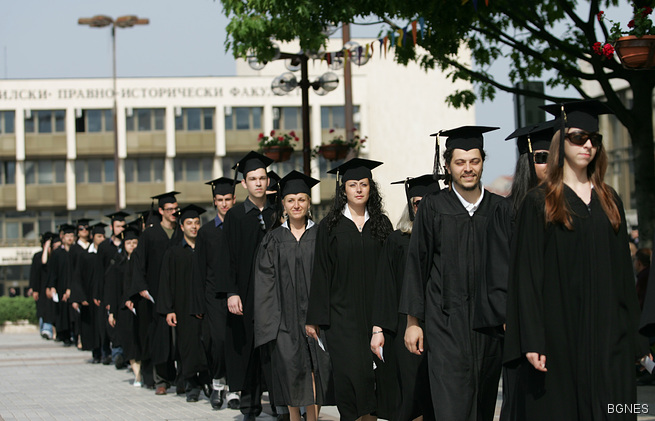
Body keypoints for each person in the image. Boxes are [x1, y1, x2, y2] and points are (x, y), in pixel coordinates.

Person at [504, 100, 648, 420]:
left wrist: (636, 337)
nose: (587, 145)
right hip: (559, 337)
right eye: (577, 137)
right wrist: (532, 338)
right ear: (560, 141)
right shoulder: (539, 202)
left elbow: (624, 276)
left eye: (594, 139)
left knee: (616, 409)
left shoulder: (610, 200)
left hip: (609, 337)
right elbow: (527, 278)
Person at [400, 126, 503, 421]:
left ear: (483, 161)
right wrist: (412, 322)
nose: (468, 168)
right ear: (447, 166)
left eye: (474, 161)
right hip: (445, 326)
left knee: (483, 407)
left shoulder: (499, 209)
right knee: (451, 407)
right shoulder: (433, 208)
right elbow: (417, 265)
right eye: (460, 162)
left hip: (489, 328)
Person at [473, 122, 553, 420]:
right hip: (522, 326)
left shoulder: (566, 208)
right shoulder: (508, 211)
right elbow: (498, 271)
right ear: (527, 162)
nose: (548, 164)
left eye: (553, 157)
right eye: (541, 157)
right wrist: (513, 322)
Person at [306, 158, 393, 421]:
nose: (358, 189)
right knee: (350, 377)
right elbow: (321, 272)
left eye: (363, 184)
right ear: (343, 189)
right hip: (341, 318)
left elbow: (390, 273)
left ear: (370, 188)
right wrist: (315, 319)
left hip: (376, 315)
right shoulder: (330, 227)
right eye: (352, 184)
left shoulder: (382, 225)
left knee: (374, 381)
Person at [254, 171, 333, 421]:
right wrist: (271, 324)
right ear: (283, 205)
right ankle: (294, 418)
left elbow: (332, 279)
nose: (296, 205)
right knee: (290, 370)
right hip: (284, 320)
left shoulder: (322, 236)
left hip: (317, 317)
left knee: (315, 370)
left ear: (309, 203)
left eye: (301, 199)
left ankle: (312, 418)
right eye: (290, 200)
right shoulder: (273, 239)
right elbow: (264, 283)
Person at [370, 174, 440, 421]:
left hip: (443, 328)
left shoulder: (450, 236)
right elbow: (385, 288)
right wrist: (379, 330)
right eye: (417, 202)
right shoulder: (398, 240)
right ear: (411, 206)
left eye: (429, 201)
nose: (422, 207)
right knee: (410, 394)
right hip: (406, 329)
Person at [224, 151, 276, 420]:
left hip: (273, 294)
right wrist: (232, 292)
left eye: (262, 178)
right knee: (247, 350)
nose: (258, 183)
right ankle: (249, 407)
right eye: (252, 179)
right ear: (244, 184)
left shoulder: (276, 213)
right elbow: (228, 257)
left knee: (274, 350)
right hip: (245, 293)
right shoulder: (234, 216)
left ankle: (280, 405)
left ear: (268, 181)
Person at [190, 176, 237, 410]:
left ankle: (234, 390)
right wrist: (198, 304)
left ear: (234, 199)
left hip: (237, 295)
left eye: (228, 199)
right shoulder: (207, 232)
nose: (224, 203)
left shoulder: (241, 227)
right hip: (213, 296)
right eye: (220, 200)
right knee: (217, 342)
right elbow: (199, 269)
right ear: (214, 202)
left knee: (235, 342)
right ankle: (218, 385)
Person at [130, 191, 184, 395]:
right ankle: (161, 379)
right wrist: (141, 287)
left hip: (179, 293)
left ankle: (182, 379)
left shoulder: (181, 232)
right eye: (169, 209)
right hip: (155, 294)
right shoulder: (150, 235)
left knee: (181, 338)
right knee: (160, 338)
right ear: (161, 211)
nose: (173, 213)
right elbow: (138, 263)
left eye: (175, 209)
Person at [158, 204, 211, 403]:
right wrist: (169, 309)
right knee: (187, 345)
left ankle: (206, 378)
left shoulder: (206, 249)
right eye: (189, 223)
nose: (194, 227)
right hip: (182, 306)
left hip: (205, 307)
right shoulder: (173, 253)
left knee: (206, 342)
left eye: (197, 223)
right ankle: (191, 383)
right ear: (181, 227)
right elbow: (166, 282)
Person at [106, 226, 142, 387]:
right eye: (129, 243)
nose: (132, 245)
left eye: (135, 242)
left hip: (140, 307)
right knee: (129, 342)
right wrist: (112, 312)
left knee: (140, 341)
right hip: (124, 310)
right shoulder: (118, 264)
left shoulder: (142, 263)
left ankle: (142, 373)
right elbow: (113, 291)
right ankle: (137, 375)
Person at [95, 211, 128, 366]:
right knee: (109, 322)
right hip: (109, 289)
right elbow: (99, 271)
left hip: (124, 288)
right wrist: (99, 293)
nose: (121, 228)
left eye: (123, 226)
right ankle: (113, 353)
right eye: (118, 226)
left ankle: (123, 353)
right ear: (111, 227)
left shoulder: (127, 244)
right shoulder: (104, 247)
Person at [70, 222, 107, 362]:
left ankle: (106, 351)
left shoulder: (106, 254)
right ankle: (96, 353)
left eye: (103, 236)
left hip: (103, 295)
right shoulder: (84, 256)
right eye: (99, 236)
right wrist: (80, 297)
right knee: (92, 325)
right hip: (89, 297)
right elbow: (77, 277)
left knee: (103, 325)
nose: (101, 239)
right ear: (93, 237)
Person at [46, 224, 76, 346]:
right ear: (63, 237)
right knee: (62, 312)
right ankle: (65, 335)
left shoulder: (76, 251)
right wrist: (52, 286)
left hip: (74, 286)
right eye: (67, 236)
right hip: (61, 286)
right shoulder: (58, 253)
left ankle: (75, 334)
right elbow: (53, 271)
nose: (69, 238)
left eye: (71, 236)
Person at [30, 232, 56, 340]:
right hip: (41, 287)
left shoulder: (55, 256)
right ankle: (44, 329)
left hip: (52, 288)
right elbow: (34, 274)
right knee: (42, 309)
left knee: (51, 309)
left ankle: (48, 329)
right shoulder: (37, 256)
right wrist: (34, 289)